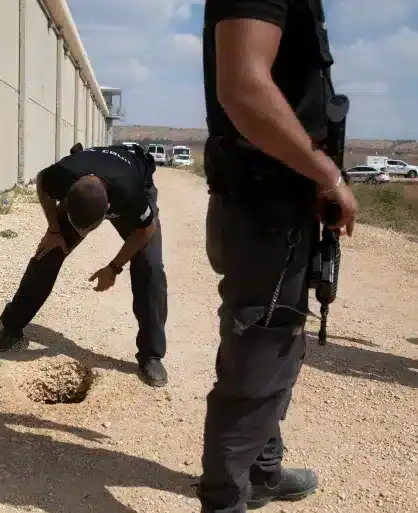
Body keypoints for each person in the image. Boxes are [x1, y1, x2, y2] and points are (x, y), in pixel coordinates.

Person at [199, 0, 357, 511]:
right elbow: (244, 87)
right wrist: (326, 174)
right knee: (259, 353)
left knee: (275, 344)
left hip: (275, 201)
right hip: (263, 202)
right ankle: (225, 500)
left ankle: (262, 470)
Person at [0, 143, 170, 387]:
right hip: (89, 180)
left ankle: (151, 355)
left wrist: (114, 267)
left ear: (108, 210)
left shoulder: (132, 193)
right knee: (50, 251)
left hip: (132, 173)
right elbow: (43, 182)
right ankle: (12, 326)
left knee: (150, 266)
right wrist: (55, 230)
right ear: (66, 196)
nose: (81, 234)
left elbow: (145, 231)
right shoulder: (62, 174)